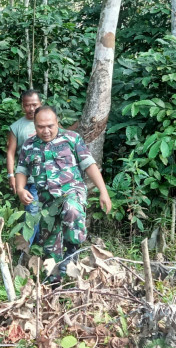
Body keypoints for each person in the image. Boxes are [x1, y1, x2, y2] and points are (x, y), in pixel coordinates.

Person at [14, 106, 112, 282]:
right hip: (47, 204)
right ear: (34, 126)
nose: (46, 131)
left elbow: (89, 165)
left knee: (71, 209)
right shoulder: (29, 145)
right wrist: (21, 189)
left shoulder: (71, 139)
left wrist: (103, 192)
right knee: (51, 253)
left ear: (57, 122)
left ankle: (72, 251)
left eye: (50, 126)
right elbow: (21, 170)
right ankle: (56, 286)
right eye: (40, 127)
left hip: (71, 192)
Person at [6, 90, 42, 244]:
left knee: (36, 212)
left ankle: (34, 247)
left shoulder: (46, 122)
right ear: (22, 106)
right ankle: (25, 249)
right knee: (32, 211)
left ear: (40, 104)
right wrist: (11, 175)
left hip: (45, 177)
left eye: (34, 104)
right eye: (27, 105)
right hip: (24, 177)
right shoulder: (16, 127)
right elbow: (10, 153)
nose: (31, 108)